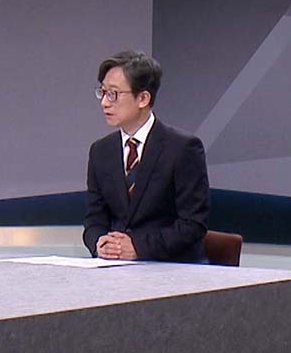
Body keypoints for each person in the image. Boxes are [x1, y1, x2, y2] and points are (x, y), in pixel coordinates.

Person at [83, 51, 209, 262]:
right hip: (115, 269)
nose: (104, 102)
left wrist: (138, 248)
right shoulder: (100, 151)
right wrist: (101, 245)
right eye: (102, 92)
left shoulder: (183, 148)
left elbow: (193, 224)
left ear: (143, 98)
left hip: (171, 267)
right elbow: (94, 219)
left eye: (113, 94)